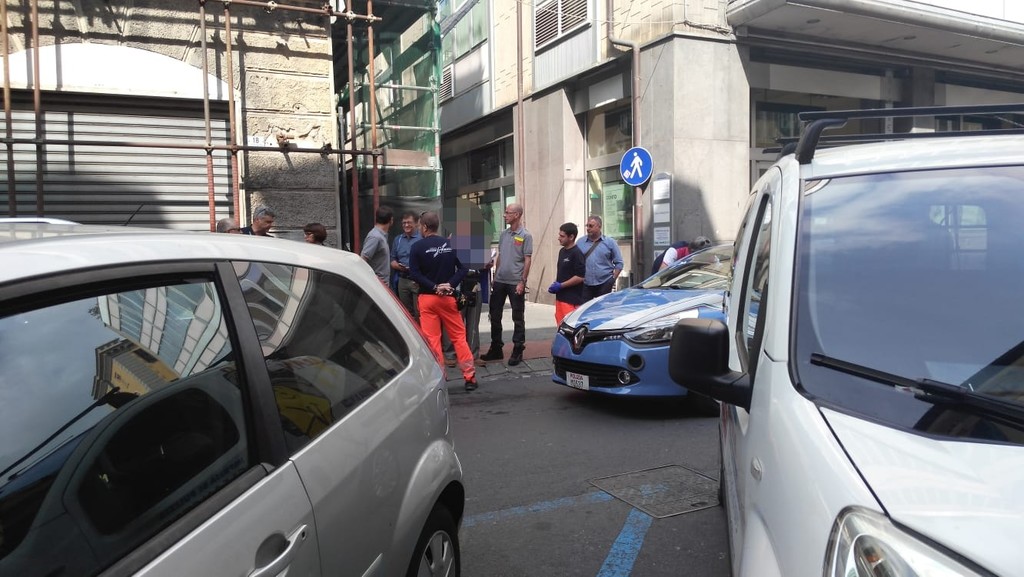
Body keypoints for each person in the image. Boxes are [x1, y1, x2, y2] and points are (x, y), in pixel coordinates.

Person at [408, 211, 478, 391]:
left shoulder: (417, 247)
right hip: (448, 298)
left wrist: (434, 287)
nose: (419, 228)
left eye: (420, 226)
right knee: (459, 337)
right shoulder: (451, 245)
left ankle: (440, 378)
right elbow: (463, 269)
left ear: (424, 227)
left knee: (432, 340)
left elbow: (414, 273)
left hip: (427, 298)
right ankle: (470, 377)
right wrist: (449, 285)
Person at [479, 203, 533, 366]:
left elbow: (527, 260)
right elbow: (500, 255)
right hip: (500, 281)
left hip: (515, 282)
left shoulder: (525, 235)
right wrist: (496, 276)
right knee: (494, 315)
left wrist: (522, 281)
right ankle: (496, 348)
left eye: (508, 212)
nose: (504, 215)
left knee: (518, 316)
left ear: (517, 215)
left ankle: (518, 348)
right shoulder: (503, 234)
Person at [577, 215, 624, 303]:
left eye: (591, 226)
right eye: (587, 226)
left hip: (604, 283)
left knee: (602, 308)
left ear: (599, 226)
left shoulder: (610, 242)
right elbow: (575, 262)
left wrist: (612, 280)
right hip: (585, 284)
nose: (588, 228)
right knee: (585, 308)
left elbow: (619, 263)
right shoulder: (580, 242)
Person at [547, 222, 586, 325]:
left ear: (571, 237)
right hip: (560, 298)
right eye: (559, 235)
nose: (559, 238)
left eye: (562, 236)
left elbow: (580, 277)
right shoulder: (562, 251)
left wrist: (561, 285)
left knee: (569, 326)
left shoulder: (577, 253)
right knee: (560, 326)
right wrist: (555, 284)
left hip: (572, 300)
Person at [390, 211, 422, 321]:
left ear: (416, 223)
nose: (406, 225)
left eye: (409, 222)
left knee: (419, 312)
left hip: (417, 280)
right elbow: (392, 259)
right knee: (406, 313)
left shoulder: (422, 238)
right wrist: (398, 266)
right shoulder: (398, 239)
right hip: (402, 279)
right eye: (404, 223)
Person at [361, 205, 393, 286]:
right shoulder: (375, 237)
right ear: (391, 220)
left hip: (381, 284)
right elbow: (363, 259)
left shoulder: (381, 236)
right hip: (376, 284)